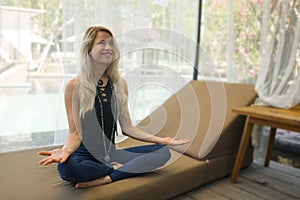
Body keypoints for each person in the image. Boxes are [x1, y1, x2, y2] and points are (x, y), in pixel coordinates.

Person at [38, 26, 191, 188]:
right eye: (102, 43)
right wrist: (66, 150)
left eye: (111, 43)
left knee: (162, 152)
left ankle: (108, 176)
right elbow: (75, 133)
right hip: (84, 156)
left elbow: (127, 128)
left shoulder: (119, 84)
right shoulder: (74, 86)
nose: (108, 47)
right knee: (67, 169)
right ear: (89, 49)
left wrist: (163, 140)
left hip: (111, 154)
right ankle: (116, 170)